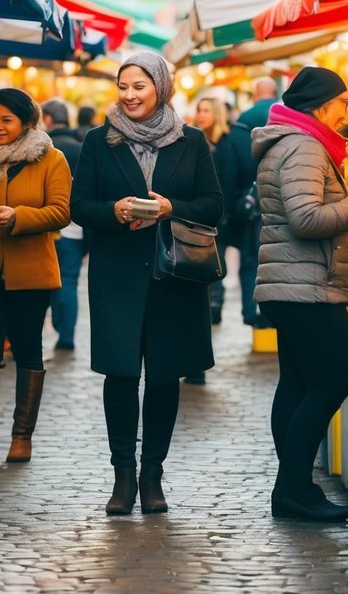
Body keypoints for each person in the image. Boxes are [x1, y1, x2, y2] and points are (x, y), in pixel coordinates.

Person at [70, 51, 222, 517]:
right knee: (120, 375)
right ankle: (122, 475)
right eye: (123, 86)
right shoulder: (100, 141)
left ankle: (152, 474)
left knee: (163, 376)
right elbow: (80, 207)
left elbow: (215, 205)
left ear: (160, 87)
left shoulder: (191, 140)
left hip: (174, 276)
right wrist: (113, 212)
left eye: (139, 86)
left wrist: (172, 207)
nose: (130, 95)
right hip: (117, 275)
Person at [252, 66, 348, 524]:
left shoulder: (293, 142)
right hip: (306, 286)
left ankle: (294, 488)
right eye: (344, 103)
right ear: (322, 105)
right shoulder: (305, 146)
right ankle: (293, 488)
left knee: (297, 383)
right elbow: (305, 219)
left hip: (295, 283)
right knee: (331, 382)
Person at [0, 89, 71, 465]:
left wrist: (18, 217)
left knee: (28, 349)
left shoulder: (51, 159)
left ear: (27, 124)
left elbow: (62, 211)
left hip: (31, 273)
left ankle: (22, 436)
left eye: (6, 120)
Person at [216, 76, 278, 329]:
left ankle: (250, 311)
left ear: (255, 94)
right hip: (281, 200)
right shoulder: (286, 114)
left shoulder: (243, 122)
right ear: (274, 92)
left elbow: (231, 171)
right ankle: (274, 313)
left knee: (250, 260)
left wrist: (229, 208)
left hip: (251, 202)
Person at [186, 96, 230, 383]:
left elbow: (226, 184)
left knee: (209, 274)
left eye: (206, 110)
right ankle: (192, 365)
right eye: (198, 110)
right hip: (190, 224)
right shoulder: (193, 141)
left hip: (212, 221)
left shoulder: (222, 145)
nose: (201, 115)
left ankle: (196, 365)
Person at [41, 98, 84, 353]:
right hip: (75, 228)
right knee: (68, 280)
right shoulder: (81, 147)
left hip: (46, 224)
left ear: (47, 118)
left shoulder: (44, 147)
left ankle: (43, 330)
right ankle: (66, 335)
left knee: (43, 281)